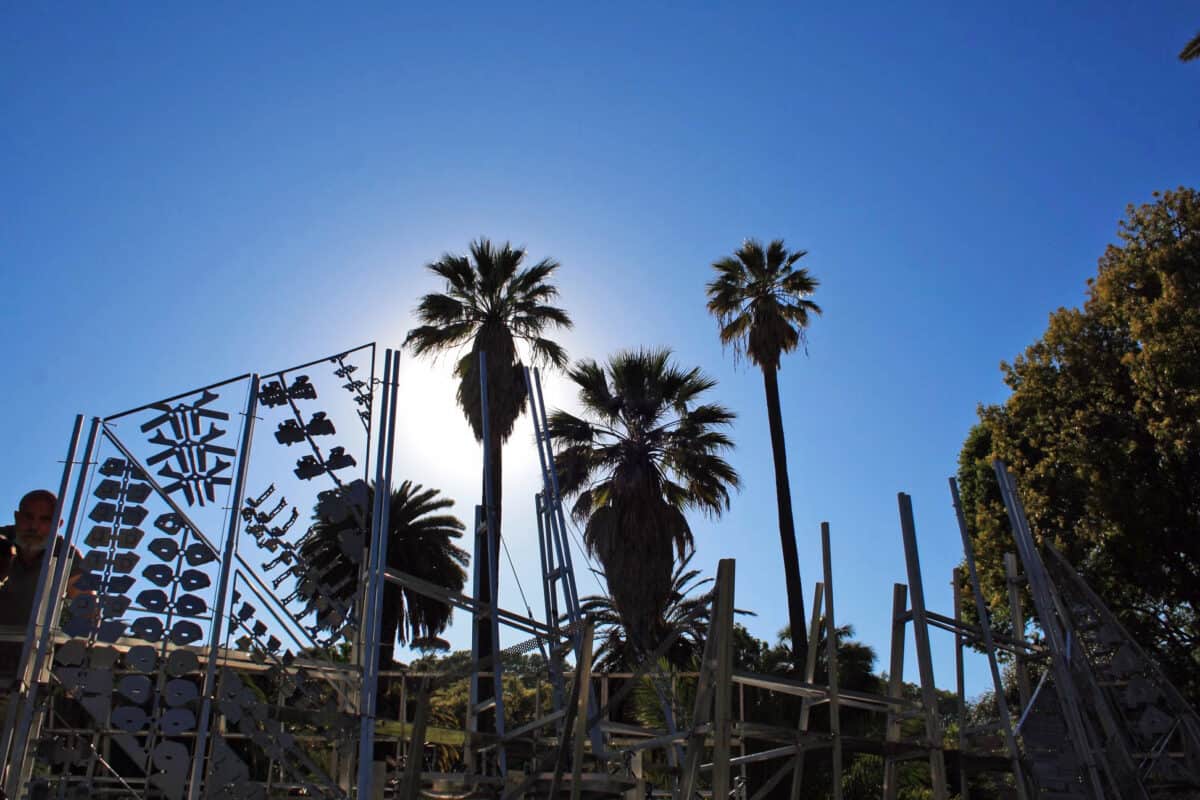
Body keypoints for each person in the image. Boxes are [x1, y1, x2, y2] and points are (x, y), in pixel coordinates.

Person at [0, 490, 86, 688]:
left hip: (29, 667)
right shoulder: (1, 540)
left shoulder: (66, 554)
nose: (34, 526)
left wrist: (66, 656)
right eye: (28, 517)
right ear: (17, 517)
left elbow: (87, 607)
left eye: (45, 519)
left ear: (59, 525)